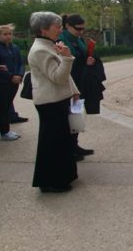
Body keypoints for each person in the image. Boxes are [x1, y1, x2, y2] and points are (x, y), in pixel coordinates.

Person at [28, 12, 80, 193]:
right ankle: (53, 181)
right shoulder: (41, 50)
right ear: (43, 29)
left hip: (59, 99)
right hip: (51, 102)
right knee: (52, 143)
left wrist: (74, 91)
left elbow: (64, 77)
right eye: (56, 27)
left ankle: (62, 177)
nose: (59, 30)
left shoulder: (49, 45)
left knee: (62, 141)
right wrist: (67, 57)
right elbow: (58, 77)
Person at [59, 14, 106, 161]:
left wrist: (90, 60)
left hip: (81, 83)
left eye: (83, 29)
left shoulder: (78, 40)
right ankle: (68, 148)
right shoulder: (62, 41)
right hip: (69, 84)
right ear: (67, 26)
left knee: (76, 116)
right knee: (68, 117)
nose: (81, 32)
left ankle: (75, 145)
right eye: (78, 29)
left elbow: (82, 57)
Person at [0, 24, 24, 141]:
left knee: (7, 106)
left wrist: (19, 75)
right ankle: (4, 131)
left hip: (14, 82)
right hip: (3, 82)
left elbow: (21, 63)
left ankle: (5, 130)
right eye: (5, 34)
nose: (8, 36)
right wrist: (11, 76)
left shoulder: (14, 47)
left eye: (10, 34)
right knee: (2, 107)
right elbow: (1, 69)